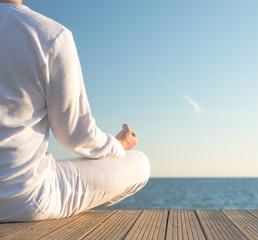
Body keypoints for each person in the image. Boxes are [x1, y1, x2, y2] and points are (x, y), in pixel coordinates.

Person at [0, 0, 150, 222]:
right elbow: (75, 135)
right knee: (139, 163)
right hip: (22, 198)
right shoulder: (50, 35)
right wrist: (118, 146)